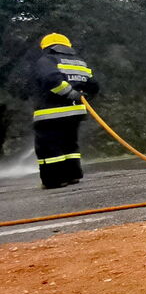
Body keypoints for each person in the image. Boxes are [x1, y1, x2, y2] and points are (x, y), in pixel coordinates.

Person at [31, 33, 101, 189]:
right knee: (69, 144)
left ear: (46, 47)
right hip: (75, 113)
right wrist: (84, 96)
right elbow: (93, 85)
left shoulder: (47, 60)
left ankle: (54, 180)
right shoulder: (79, 62)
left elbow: (50, 80)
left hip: (51, 113)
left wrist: (70, 93)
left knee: (48, 147)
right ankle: (72, 175)